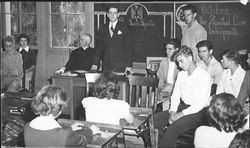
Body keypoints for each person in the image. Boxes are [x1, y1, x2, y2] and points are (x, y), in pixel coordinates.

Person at [153, 45, 211, 148]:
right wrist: (172, 112)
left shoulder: (204, 76)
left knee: (172, 129)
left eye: (181, 61)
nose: (179, 65)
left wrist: (180, 114)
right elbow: (175, 96)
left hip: (197, 112)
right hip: (181, 107)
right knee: (153, 121)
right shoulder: (181, 75)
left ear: (189, 58)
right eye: (178, 62)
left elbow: (201, 103)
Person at [24, 85, 99, 147]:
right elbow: (81, 142)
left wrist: (70, 129)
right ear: (58, 111)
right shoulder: (64, 135)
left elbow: (48, 136)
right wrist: (90, 131)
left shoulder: (27, 127)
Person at [91, 5, 132, 72]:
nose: (112, 15)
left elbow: (128, 48)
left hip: (121, 65)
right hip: (106, 66)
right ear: (107, 15)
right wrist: (95, 63)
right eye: (110, 13)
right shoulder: (102, 28)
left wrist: (128, 65)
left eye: (115, 13)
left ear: (118, 14)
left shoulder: (125, 27)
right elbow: (99, 47)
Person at [156, 38, 181, 111]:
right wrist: (158, 92)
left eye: (170, 49)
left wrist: (171, 95)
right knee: (145, 100)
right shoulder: (164, 62)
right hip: (165, 88)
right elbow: (160, 80)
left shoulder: (181, 62)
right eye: (166, 49)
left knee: (166, 105)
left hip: (177, 90)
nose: (167, 51)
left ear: (177, 49)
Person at [237, 49, 250, 114]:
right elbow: (242, 94)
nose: (247, 61)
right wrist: (238, 109)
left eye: (249, 58)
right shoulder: (248, 74)